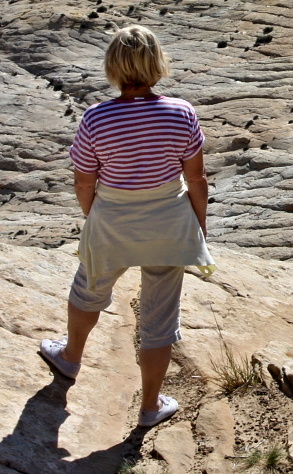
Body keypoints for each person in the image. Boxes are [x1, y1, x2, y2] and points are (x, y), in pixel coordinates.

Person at [39, 24, 213, 428]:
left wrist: (94, 217)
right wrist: (198, 225)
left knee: (88, 289)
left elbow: (84, 180)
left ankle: (70, 359)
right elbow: (197, 179)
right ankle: (150, 406)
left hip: (113, 219)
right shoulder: (181, 113)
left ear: (112, 68)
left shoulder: (96, 118)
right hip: (168, 223)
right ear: (157, 64)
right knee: (160, 318)